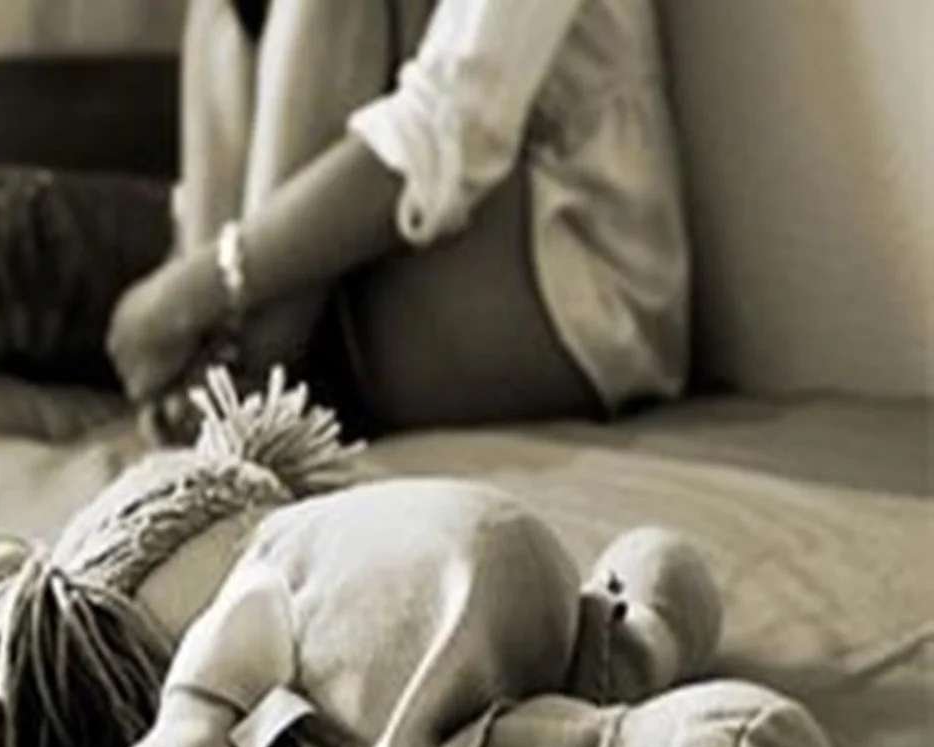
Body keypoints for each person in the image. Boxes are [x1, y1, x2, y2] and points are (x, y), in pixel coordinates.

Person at [106, 0, 688, 430]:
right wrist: (193, 275)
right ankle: (212, 367)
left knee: (82, 262)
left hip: (572, 299)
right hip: (361, 275)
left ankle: (243, 368)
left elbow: (455, 128)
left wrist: (201, 287)